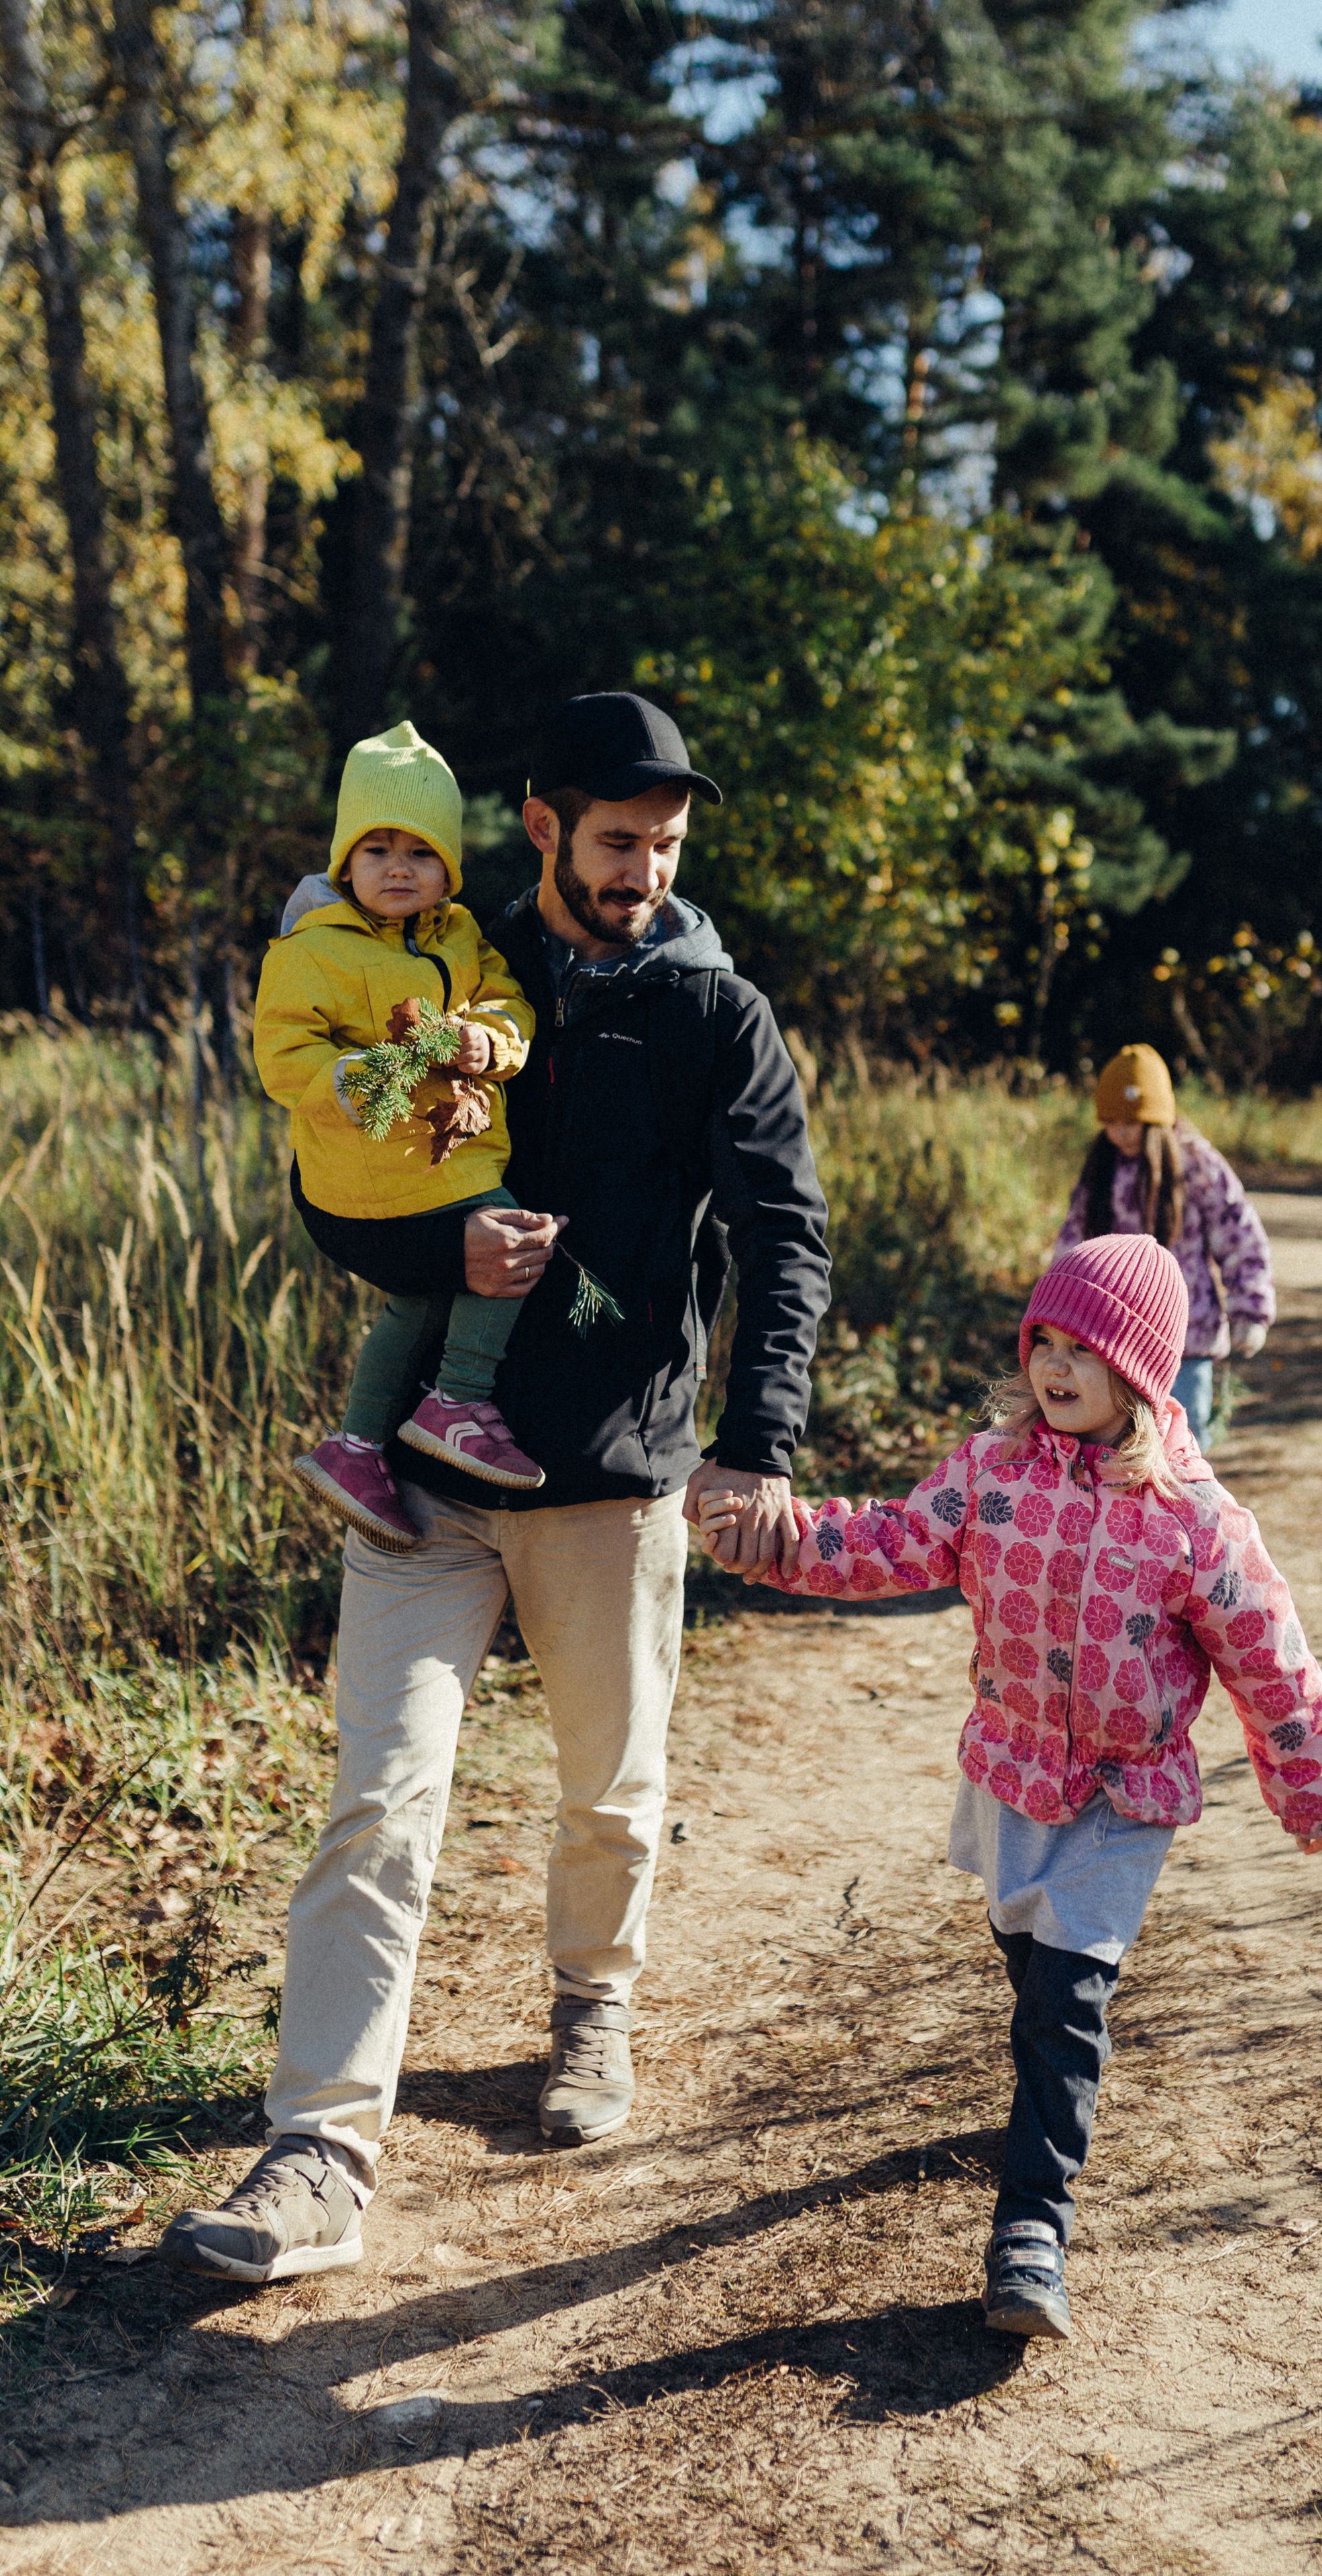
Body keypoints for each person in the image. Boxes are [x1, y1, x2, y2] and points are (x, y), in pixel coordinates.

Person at [162, 692, 830, 2286]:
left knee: (608, 1784)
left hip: (607, 1469)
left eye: (665, 847)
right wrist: (435, 1251)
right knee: (378, 1802)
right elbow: (341, 1191)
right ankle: (319, 2146)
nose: (642, 873)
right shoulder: (444, 966)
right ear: (539, 823)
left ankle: (592, 2004)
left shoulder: (710, 1008)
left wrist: (761, 1437)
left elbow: (781, 1229)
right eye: (615, 842)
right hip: (424, 1481)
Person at [697, 1232, 1322, 2343]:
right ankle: (1045, 2097)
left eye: (1082, 1349)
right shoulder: (988, 1471)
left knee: (1066, 2002)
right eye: (1043, 1340)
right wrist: (783, 1546)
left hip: (1119, 1798)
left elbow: (1269, 1657)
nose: (1054, 1365)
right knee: (1026, 1964)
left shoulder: (1193, 1520)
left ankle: (1032, 2231)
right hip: (1009, 1775)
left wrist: (1308, 1783)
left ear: (1139, 1371)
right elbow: (895, 1541)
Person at [254, 721, 545, 1552]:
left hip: (436, 1158)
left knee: (420, 1299)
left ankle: (355, 1449)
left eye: (419, 854)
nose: (397, 868)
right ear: (346, 864)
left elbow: (505, 1001)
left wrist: (489, 1040)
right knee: (513, 1237)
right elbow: (282, 1052)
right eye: (376, 851)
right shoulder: (314, 949)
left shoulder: (460, 938)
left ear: (446, 870)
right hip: (373, 1166)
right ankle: (457, 1400)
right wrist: (346, 1079)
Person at [1056, 1044, 1274, 1450]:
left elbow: (1238, 1231)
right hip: (1112, 1343)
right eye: (1111, 1121)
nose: (1121, 1132)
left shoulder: (1197, 1165)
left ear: (1159, 1117)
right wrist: (1058, 1317)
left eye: (1132, 1121)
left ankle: (1187, 1513)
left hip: (1186, 1342)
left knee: (1182, 1444)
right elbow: (1073, 1244)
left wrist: (1250, 1307)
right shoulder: (1101, 1172)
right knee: (1115, 1445)